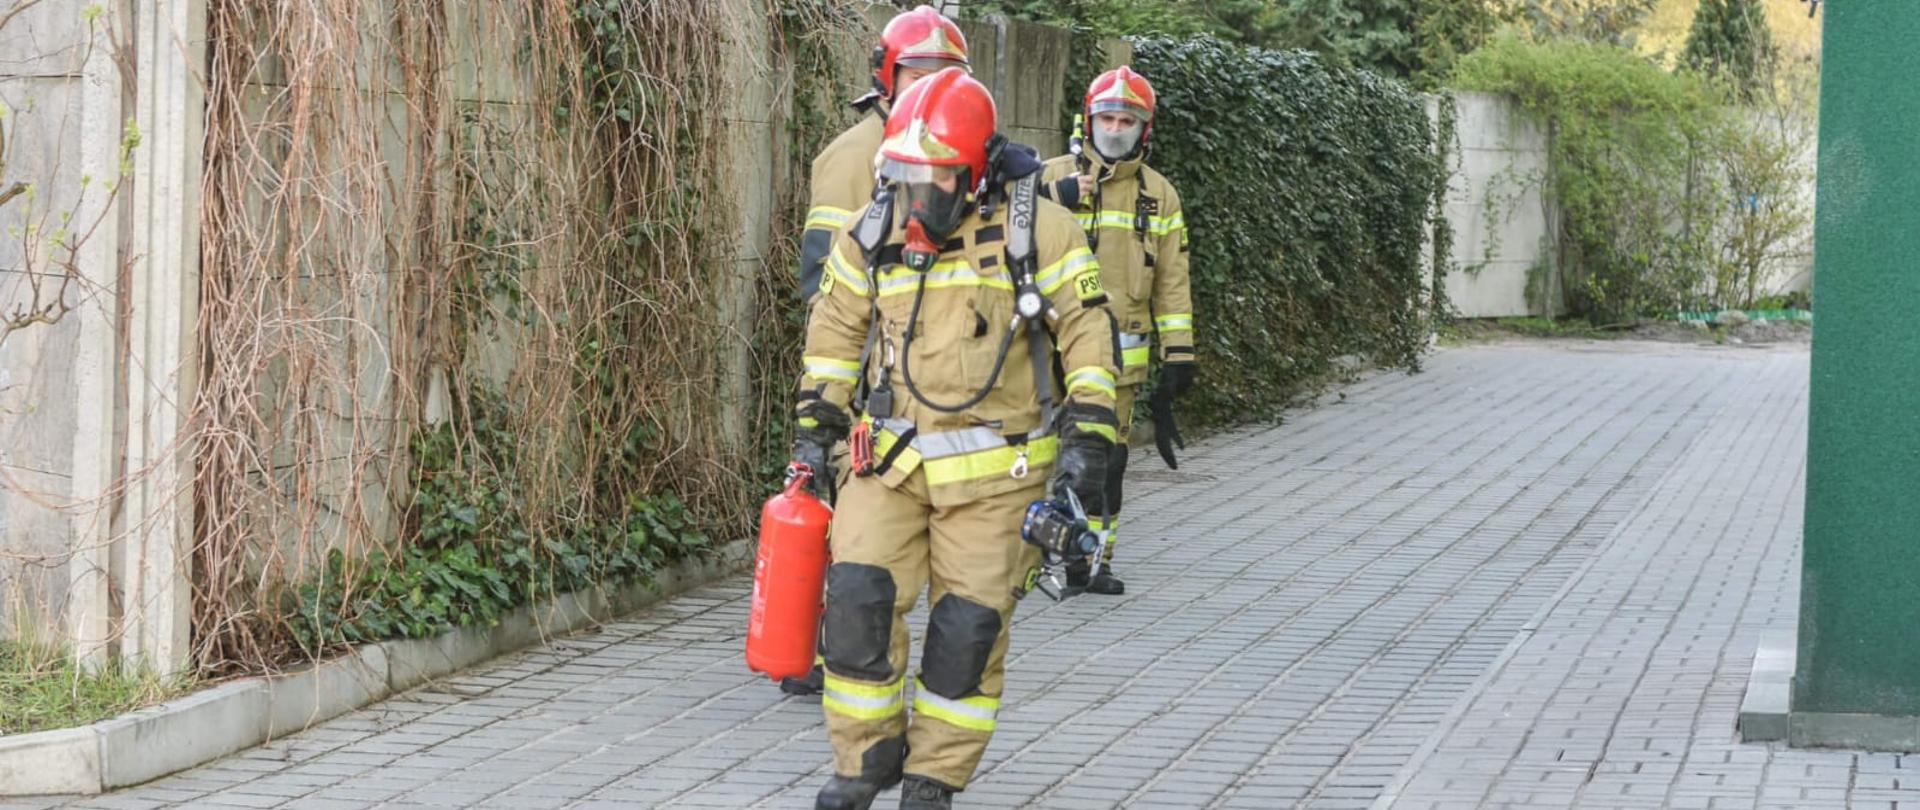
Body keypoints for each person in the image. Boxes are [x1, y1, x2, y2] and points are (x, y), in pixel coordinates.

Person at [790, 67, 1119, 810]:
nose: (917, 198)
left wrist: (1089, 439)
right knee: (854, 609)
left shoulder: (1039, 230)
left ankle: (934, 778)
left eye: (934, 180)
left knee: (964, 637)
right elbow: (835, 335)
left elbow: (1090, 336)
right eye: (903, 177)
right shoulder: (870, 232)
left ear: (973, 174)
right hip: (889, 465)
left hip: (997, 480)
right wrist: (817, 428)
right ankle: (865, 759)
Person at [782, 4, 972, 698]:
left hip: (918, 376)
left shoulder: (954, 152)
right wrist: (837, 392)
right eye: (916, 75)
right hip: (864, 375)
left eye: (942, 76)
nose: (928, 91)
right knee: (845, 511)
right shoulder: (853, 156)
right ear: (886, 78)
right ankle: (824, 652)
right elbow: (821, 283)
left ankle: (840, 650)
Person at [1038, 66, 1195, 596]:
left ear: (1144, 129)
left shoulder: (1160, 197)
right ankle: (1034, 559)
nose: (1116, 126)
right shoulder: (1048, 176)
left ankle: (1092, 563)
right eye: (1107, 116)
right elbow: (996, 227)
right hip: (1045, 354)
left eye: (1127, 118)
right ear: (1089, 119)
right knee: (1043, 460)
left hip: (1120, 364)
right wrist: (1052, 196)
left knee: (1107, 466)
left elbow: (1172, 282)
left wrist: (1179, 357)